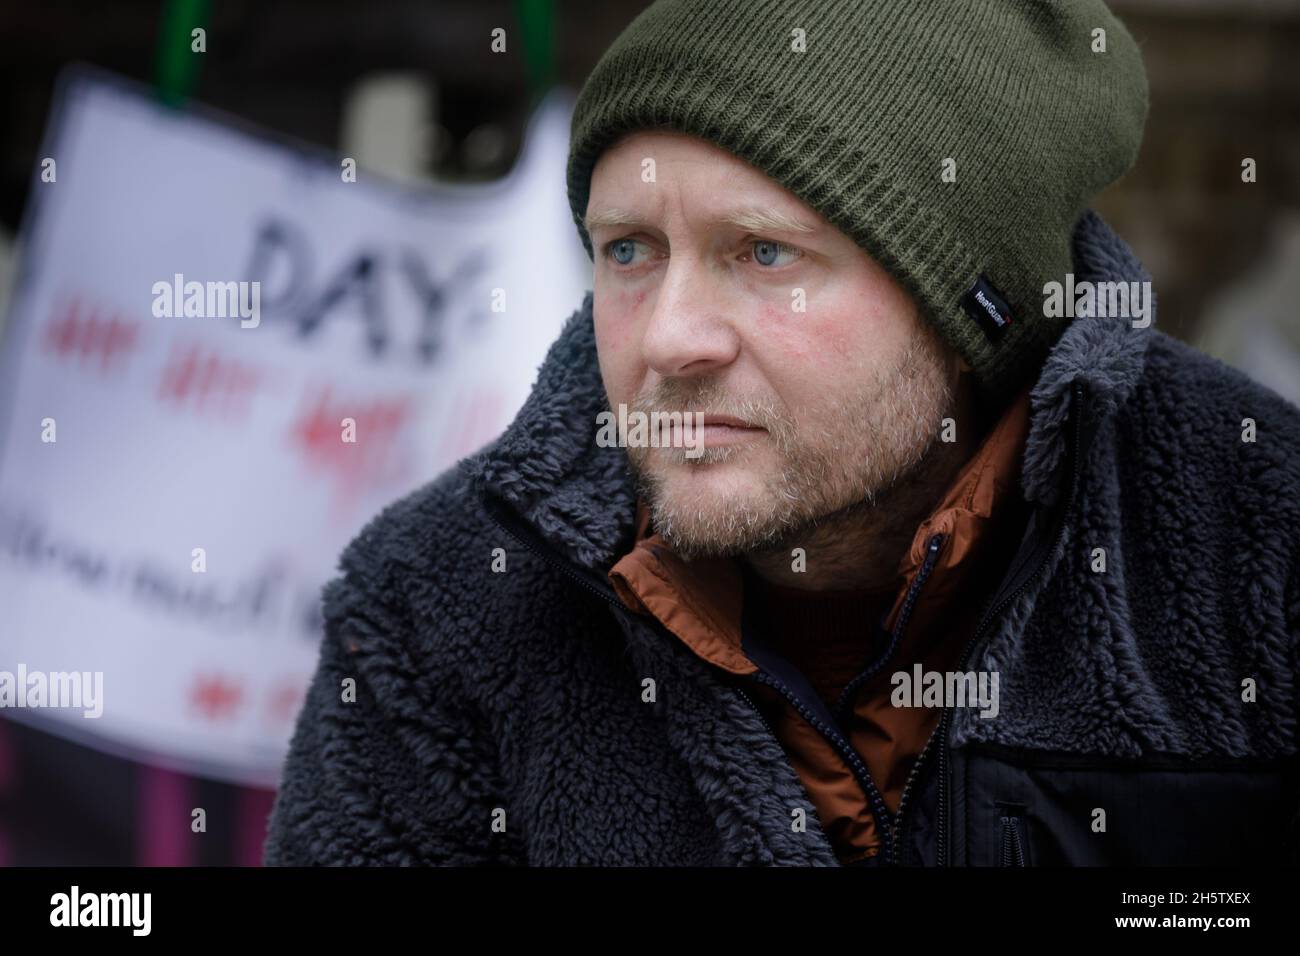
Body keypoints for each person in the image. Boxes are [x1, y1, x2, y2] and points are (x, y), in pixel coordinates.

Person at [263, 0, 1300, 866]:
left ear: (974, 309)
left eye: (763, 253)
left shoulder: (1261, 543)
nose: (667, 337)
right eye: (628, 249)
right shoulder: (437, 607)